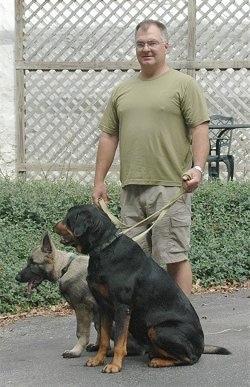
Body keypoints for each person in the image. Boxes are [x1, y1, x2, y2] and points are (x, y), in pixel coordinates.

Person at [92, 19, 210, 297]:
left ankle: (182, 328)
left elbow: (200, 129)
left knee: (174, 257)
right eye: (141, 44)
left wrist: (197, 169)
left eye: (153, 43)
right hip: (131, 189)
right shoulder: (122, 89)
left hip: (170, 186)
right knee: (131, 261)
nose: (146, 48)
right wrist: (98, 181)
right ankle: (140, 329)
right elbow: (109, 136)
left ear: (166, 46)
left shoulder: (184, 85)